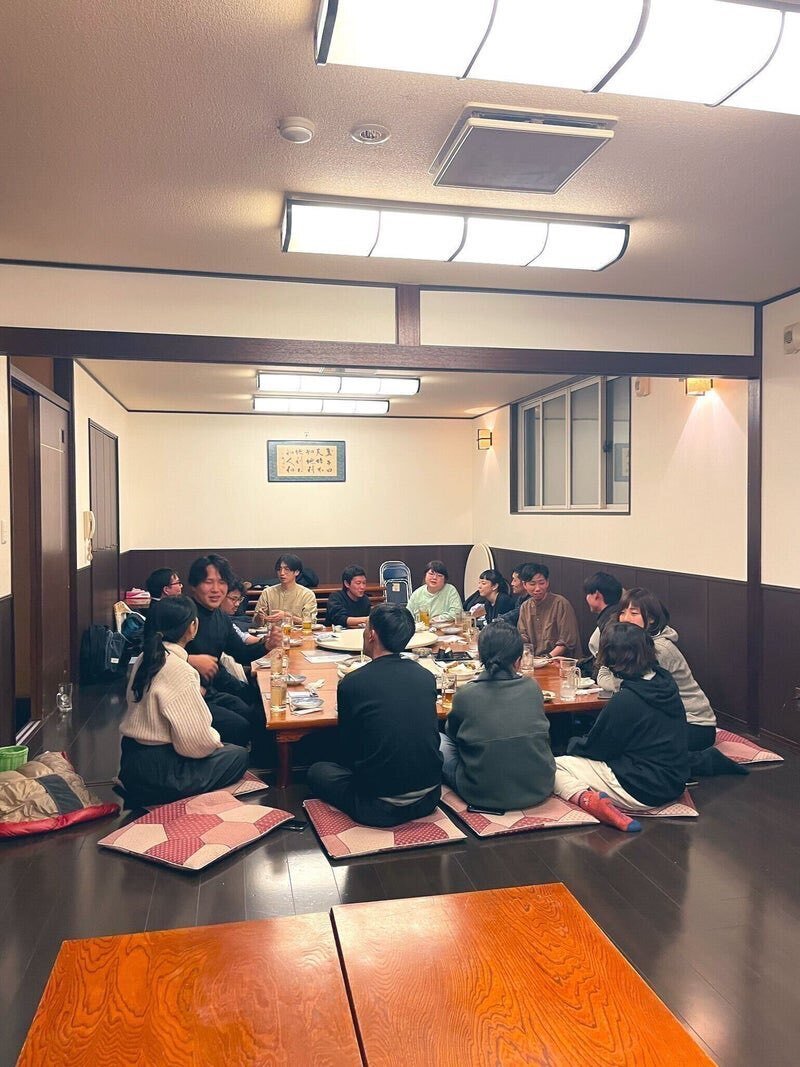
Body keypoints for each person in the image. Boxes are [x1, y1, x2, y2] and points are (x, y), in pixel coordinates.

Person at [307, 603, 442, 827]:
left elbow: (348, 747)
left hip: (376, 807)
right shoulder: (426, 676)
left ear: (372, 635)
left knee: (317, 771)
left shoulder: (353, 682)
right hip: (429, 798)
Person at [553, 622, 689, 832]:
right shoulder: (666, 682)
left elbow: (597, 749)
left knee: (553, 766)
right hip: (675, 782)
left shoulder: (626, 700)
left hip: (641, 789)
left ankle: (588, 800)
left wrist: (569, 744)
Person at [118, 596, 249, 807]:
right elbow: (195, 745)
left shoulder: (145, 657)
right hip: (161, 772)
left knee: (227, 743)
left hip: (130, 762)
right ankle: (170, 798)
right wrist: (217, 742)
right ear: (192, 627)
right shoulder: (180, 669)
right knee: (238, 755)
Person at [596, 589, 737, 768]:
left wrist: (615, 679)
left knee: (631, 748)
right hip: (665, 720)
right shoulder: (632, 644)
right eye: (622, 612)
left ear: (651, 619)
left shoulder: (659, 649)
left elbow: (631, 688)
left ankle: (705, 762)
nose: (625, 619)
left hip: (694, 724)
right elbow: (604, 674)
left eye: (634, 613)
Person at [440, 623, 555, 811]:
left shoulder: (465, 694)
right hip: (540, 787)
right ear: (518, 661)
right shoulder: (533, 687)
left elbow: (452, 734)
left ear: (480, 656)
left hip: (480, 792)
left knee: (439, 741)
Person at [185, 554, 277, 749]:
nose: (216, 589)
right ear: (193, 585)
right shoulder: (182, 612)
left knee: (256, 710)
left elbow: (241, 652)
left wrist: (267, 645)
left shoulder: (220, 616)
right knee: (239, 726)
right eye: (208, 582)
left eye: (222, 582)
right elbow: (151, 650)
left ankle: (265, 760)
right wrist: (189, 659)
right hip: (185, 695)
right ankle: (231, 760)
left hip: (211, 689)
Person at [517, 562, 580, 658]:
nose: (537, 588)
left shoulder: (560, 603)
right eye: (532, 584)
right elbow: (523, 636)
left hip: (559, 659)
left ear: (547, 582)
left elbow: (567, 641)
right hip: (534, 659)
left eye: (541, 583)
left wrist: (547, 657)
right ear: (524, 585)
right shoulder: (525, 606)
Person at [253, 553, 318, 625]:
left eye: (287, 569)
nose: (282, 573)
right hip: (272, 631)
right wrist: (259, 617)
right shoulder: (267, 592)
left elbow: (311, 622)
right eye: (279, 569)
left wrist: (286, 616)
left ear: (296, 572)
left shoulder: (307, 594)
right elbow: (255, 622)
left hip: (296, 631)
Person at [583, 571, 623, 656]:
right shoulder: (617, 614)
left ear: (596, 595)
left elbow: (605, 659)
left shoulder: (610, 622)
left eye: (588, 594)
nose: (586, 598)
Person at [221, 579, 259, 644]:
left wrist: (266, 640)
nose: (237, 604)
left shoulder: (224, 618)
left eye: (240, 599)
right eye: (233, 599)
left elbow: (243, 637)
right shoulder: (210, 618)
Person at [497, 562, 531, 626]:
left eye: (515, 580)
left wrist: (499, 620)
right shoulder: (520, 598)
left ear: (525, 582)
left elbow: (515, 614)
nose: (512, 583)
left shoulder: (531, 601)